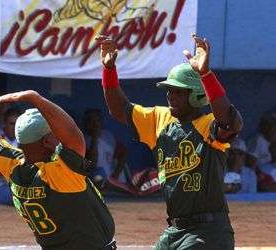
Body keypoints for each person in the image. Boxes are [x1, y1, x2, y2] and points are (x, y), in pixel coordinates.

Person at [0, 66, 116, 250]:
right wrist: (36, 99)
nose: (58, 135)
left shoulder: (13, 165)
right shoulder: (60, 173)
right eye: (54, 132)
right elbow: (74, 136)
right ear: (46, 141)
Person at [97, 34, 243, 249]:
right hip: (175, 230)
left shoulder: (208, 124)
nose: (170, 96)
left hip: (208, 232)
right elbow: (119, 110)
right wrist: (109, 70)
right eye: (169, 91)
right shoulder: (160, 118)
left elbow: (231, 123)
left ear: (196, 95)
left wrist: (206, 74)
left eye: (178, 92)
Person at [82, 108, 130, 190]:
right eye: (91, 121)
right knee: (98, 175)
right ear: (86, 124)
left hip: (112, 177)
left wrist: (116, 175)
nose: (95, 124)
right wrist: (94, 138)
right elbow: (92, 164)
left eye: (97, 120)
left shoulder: (107, 135)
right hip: (96, 180)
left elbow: (124, 152)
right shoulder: (82, 140)